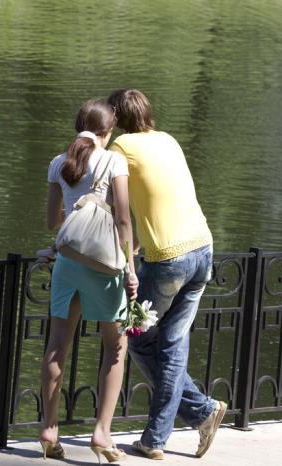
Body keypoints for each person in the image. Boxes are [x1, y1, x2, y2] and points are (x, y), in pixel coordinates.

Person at [107, 88, 227, 460]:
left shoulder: (120, 149)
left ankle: (197, 412)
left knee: (139, 338)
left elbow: (117, 207)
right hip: (202, 247)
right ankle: (163, 435)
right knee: (172, 344)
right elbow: (158, 195)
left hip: (168, 259)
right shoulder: (168, 139)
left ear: (115, 117)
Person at [38, 99, 138, 463]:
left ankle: (49, 429)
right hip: (104, 267)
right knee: (114, 347)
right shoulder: (114, 160)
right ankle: (101, 433)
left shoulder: (58, 162)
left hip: (66, 263)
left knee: (56, 346)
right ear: (108, 130)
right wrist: (130, 267)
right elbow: (124, 221)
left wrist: (76, 217)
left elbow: (53, 221)